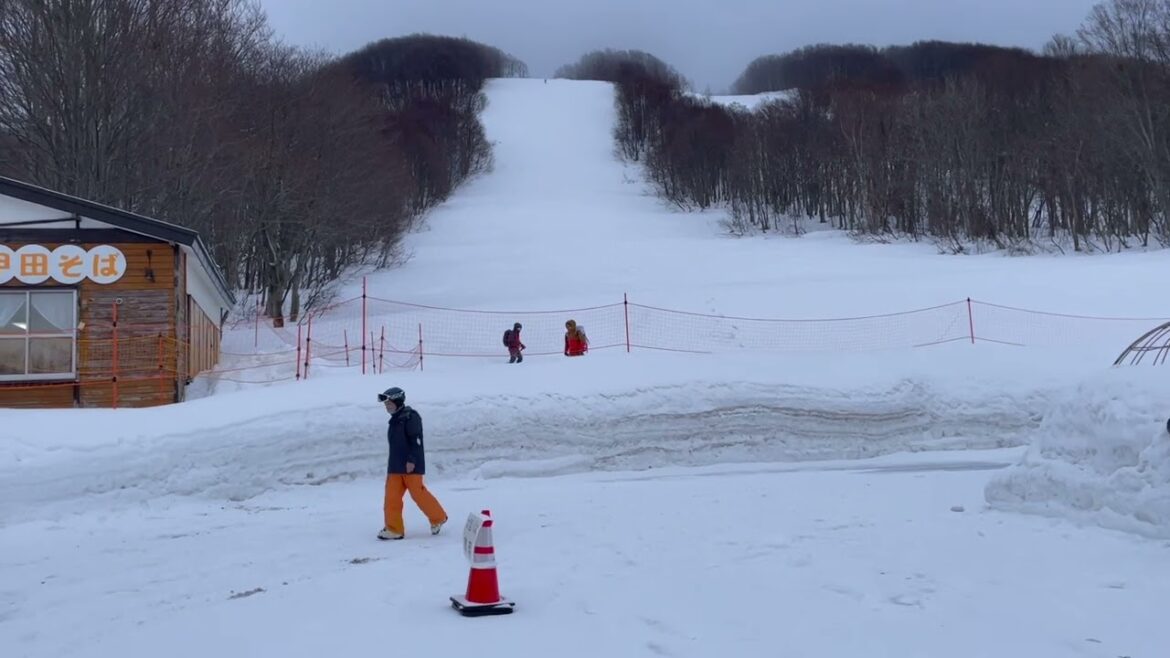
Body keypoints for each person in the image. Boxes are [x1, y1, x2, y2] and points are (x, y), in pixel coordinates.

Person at [376, 386, 448, 540]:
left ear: (398, 401)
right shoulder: (395, 420)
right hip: (395, 466)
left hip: (411, 466)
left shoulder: (411, 417)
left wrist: (411, 460)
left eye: (389, 404)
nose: (387, 407)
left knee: (418, 494)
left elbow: (416, 441)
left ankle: (438, 518)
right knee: (391, 498)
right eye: (385, 405)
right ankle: (394, 529)